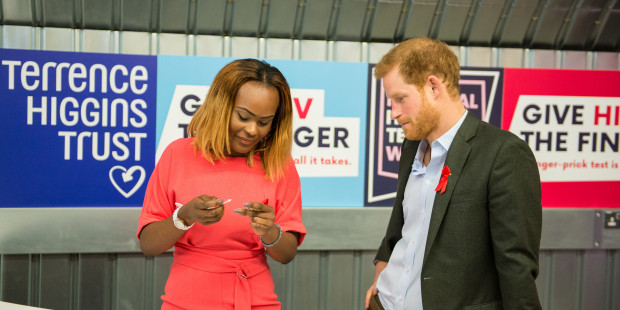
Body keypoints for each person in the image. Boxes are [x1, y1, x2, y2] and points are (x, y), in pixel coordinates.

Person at [364, 38, 542, 310]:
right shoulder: (411, 145)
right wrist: (383, 268)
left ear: (433, 87)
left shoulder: (504, 154)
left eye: (400, 99)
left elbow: (516, 269)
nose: (394, 112)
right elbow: (403, 225)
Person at [137, 58, 306, 310]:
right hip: (186, 300)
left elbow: (287, 254)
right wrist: (183, 217)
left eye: (263, 122)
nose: (252, 130)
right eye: (243, 116)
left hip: (256, 301)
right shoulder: (177, 154)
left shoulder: (279, 164)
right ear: (220, 105)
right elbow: (149, 245)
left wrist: (270, 232)